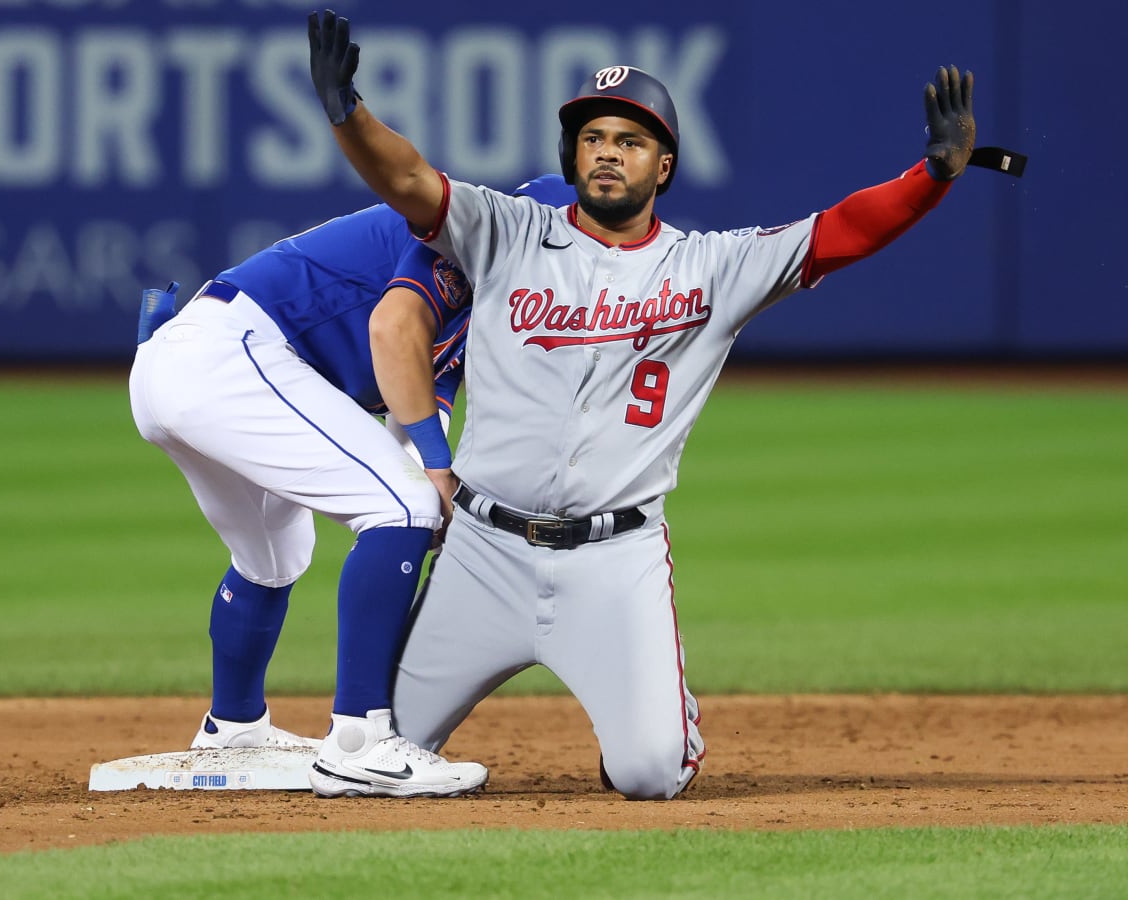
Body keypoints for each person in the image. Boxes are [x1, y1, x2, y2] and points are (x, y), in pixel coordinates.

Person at [307, 10, 983, 799]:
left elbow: (839, 232)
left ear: (662, 166)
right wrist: (346, 114)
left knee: (650, 775)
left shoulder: (712, 267)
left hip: (613, 561)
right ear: (572, 155)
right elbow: (408, 179)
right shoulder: (505, 230)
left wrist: (932, 176)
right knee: (378, 750)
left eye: (629, 142)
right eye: (593, 138)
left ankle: (662, 714)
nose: (607, 153)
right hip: (482, 554)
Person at [128, 174, 575, 798]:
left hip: (193, 365)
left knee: (275, 557)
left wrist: (430, 469)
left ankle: (233, 727)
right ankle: (359, 739)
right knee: (405, 509)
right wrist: (430, 483)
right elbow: (392, 332)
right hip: (229, 356)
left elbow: (426, 385)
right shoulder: (457, 237)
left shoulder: (494, 291)